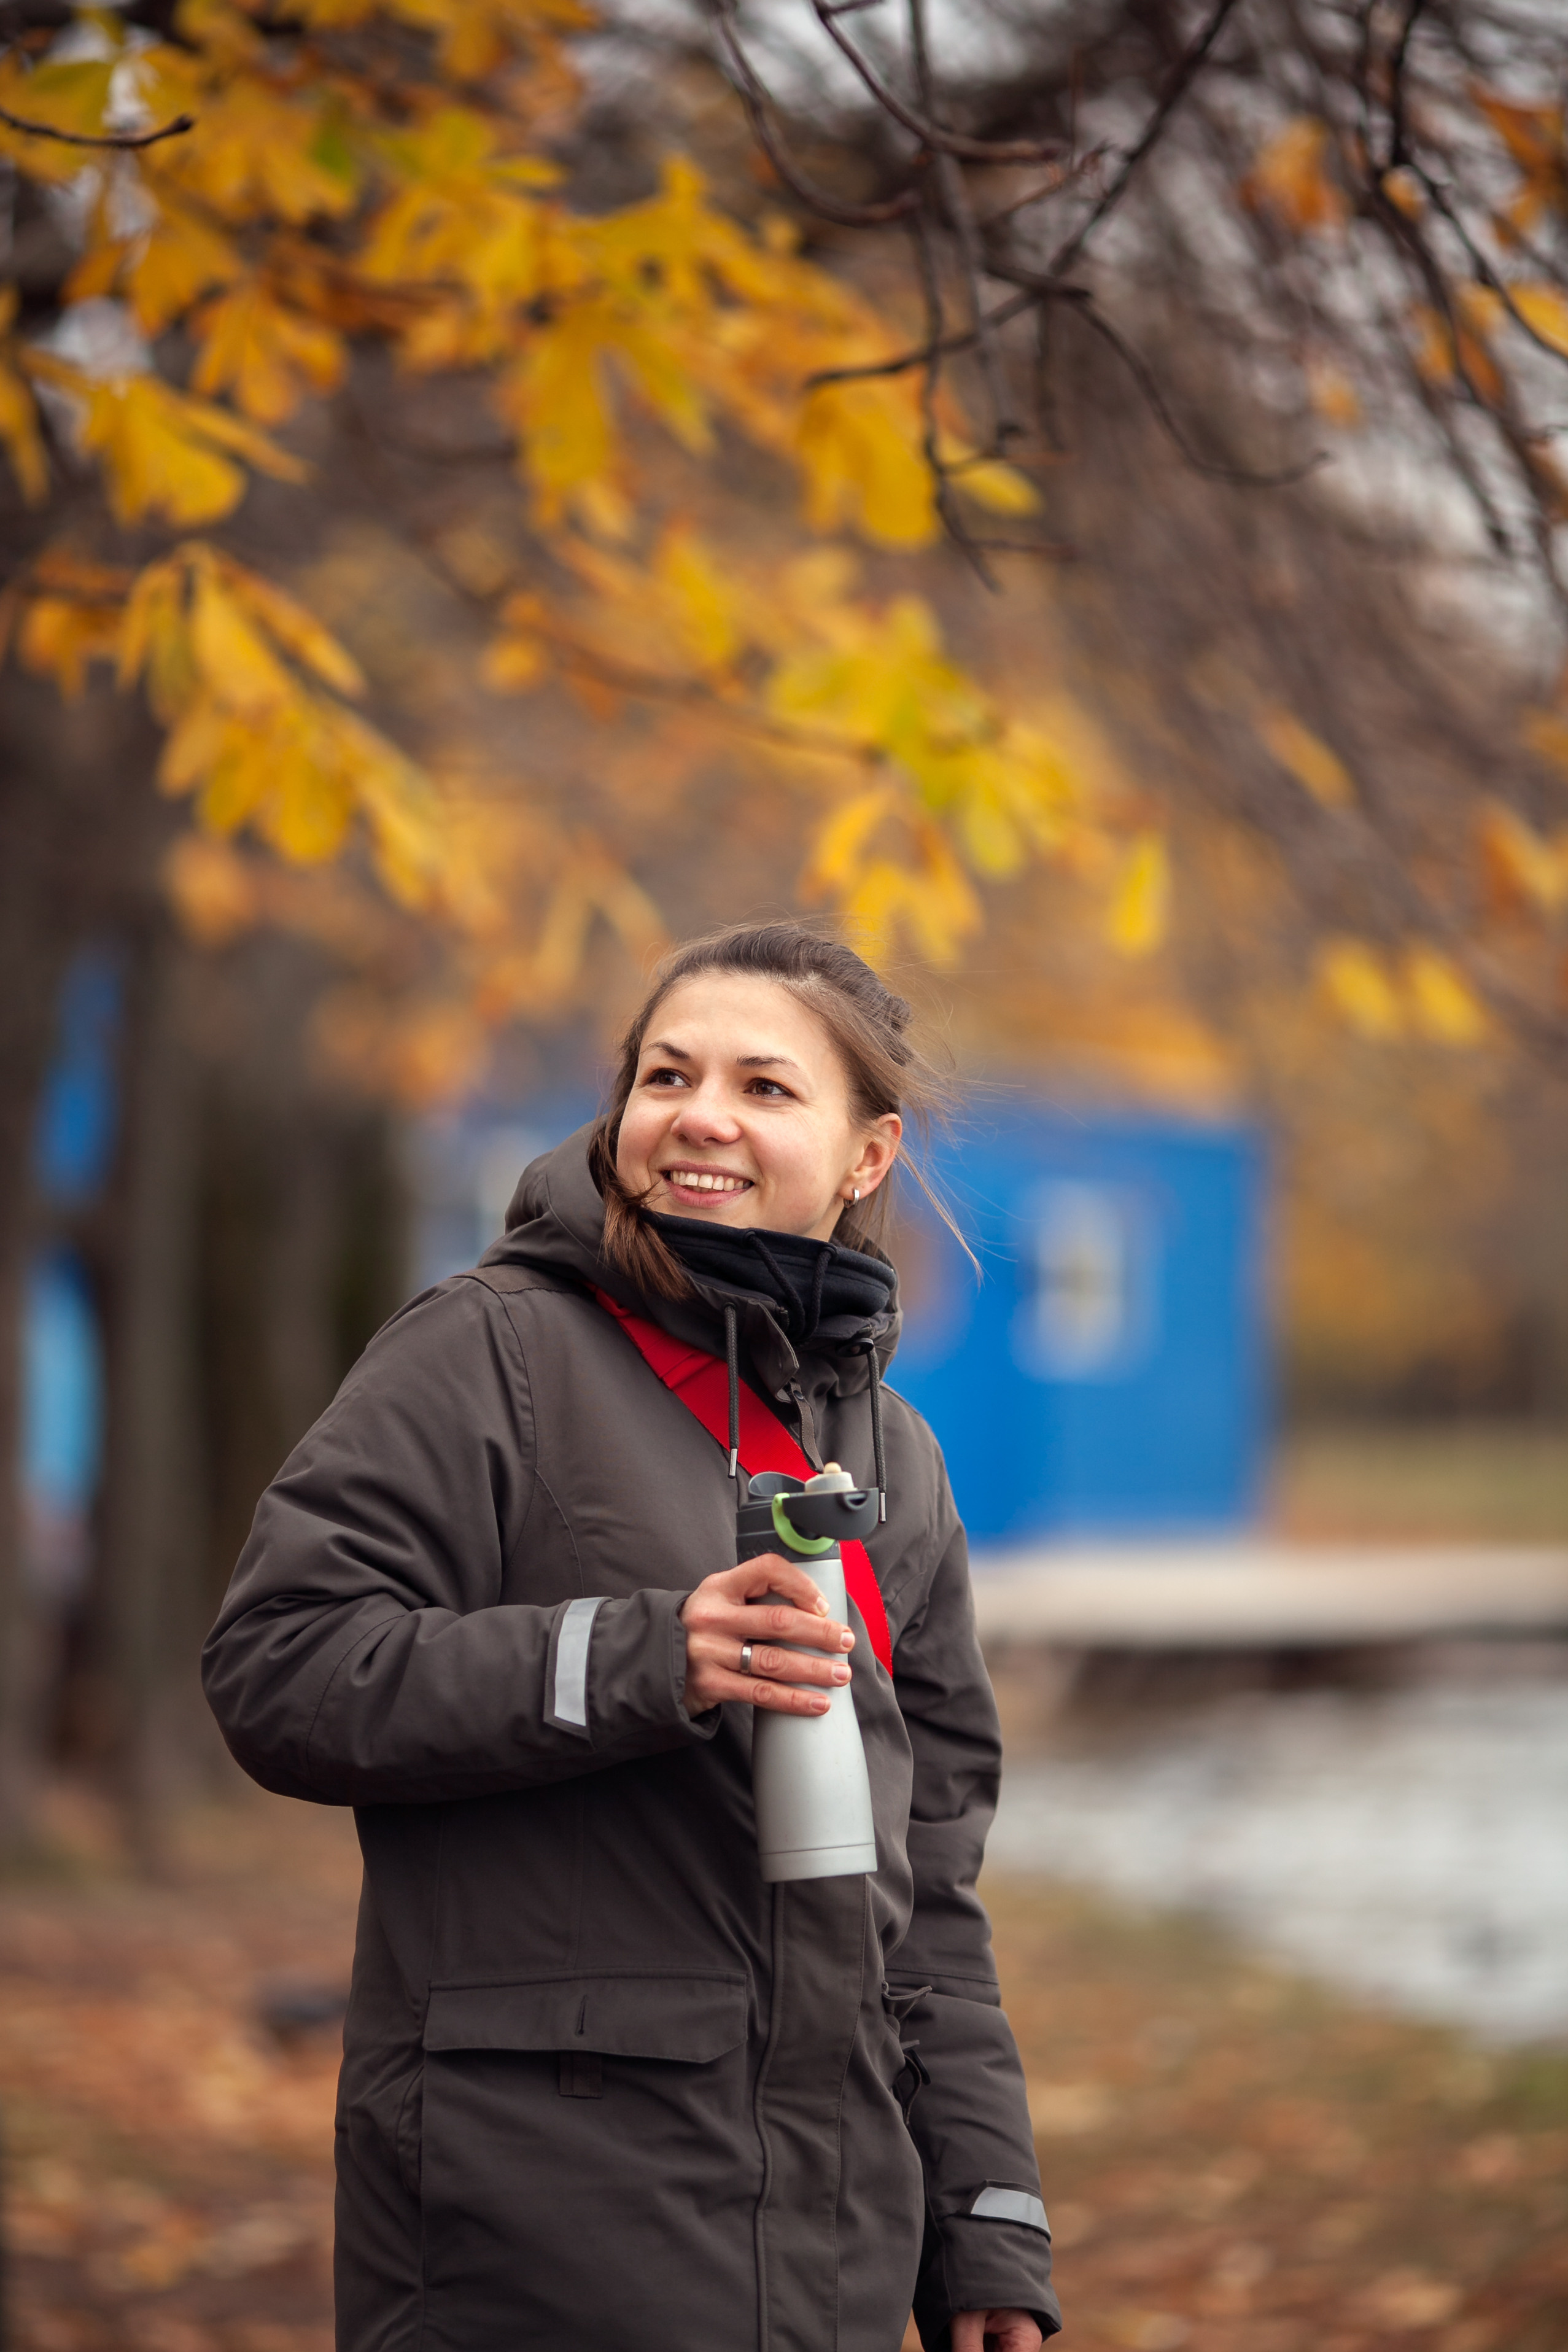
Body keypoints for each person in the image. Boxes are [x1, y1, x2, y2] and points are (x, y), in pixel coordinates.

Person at [203, 922, 1057, 2352]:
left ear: (866, 1154)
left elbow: (930, 1896)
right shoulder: (484, 1350)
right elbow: (276, 1664)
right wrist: (638, 1658)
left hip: (827, 2238)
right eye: (666, 1073)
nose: (699, 1114)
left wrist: (982, 2216)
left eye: (765, 1085)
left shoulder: (892, 1460)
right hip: (532, 2226)